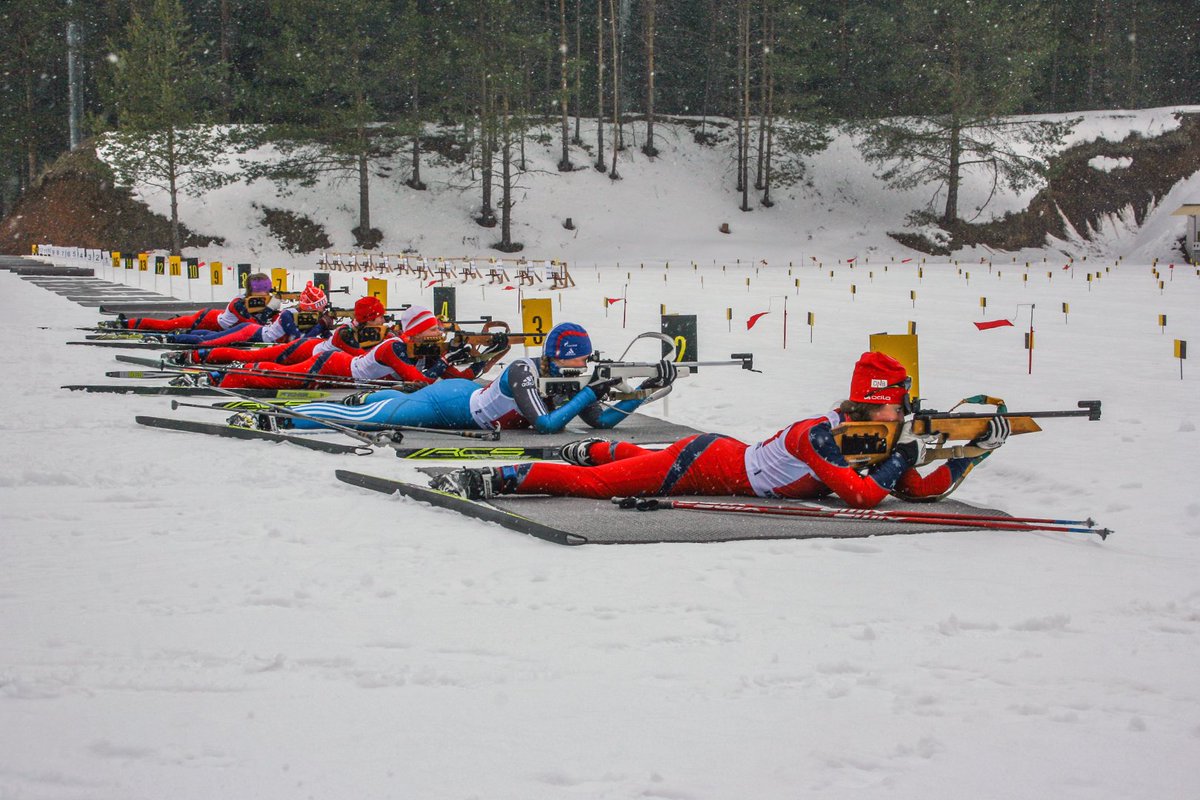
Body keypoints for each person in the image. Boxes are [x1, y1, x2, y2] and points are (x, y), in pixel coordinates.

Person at [429, 351, 1010, 508]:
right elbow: (863, 497)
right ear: (870, 407)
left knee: (630, 465)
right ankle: (499, 477)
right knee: (602, 488)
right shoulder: (819, 435)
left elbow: (916, 491)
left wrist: (973, 452)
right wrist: (906, 455)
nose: (902, 417)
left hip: (723, 458)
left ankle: (600, 448)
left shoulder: (870, 442)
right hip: (705, 465)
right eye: (897, 409)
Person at [232, 322, 676, 434]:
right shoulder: (524, 371)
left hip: (467, 399)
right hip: (451, 405)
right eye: (578, 364)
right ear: (558, 358)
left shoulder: (571, 382)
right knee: (372, 420)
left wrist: (642, 393)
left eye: (585, 364)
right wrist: (591, 391)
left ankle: (357, 401)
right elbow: (546, 425)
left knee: (376, 410)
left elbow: (600, 421)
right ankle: (282, 416)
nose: (582, 370)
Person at [215, 304, 500, 393]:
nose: (439, 334)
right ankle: (230, 374)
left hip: (343, 373)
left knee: (280, 372)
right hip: (332, 365)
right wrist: (446, 359)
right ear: (417, 331)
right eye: (433, 329)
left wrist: (482, 361)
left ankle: (240, 368)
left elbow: (455, 378)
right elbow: (418, 383)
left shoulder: (423, 349)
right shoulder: (394, 347)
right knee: (279, 377)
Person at [165, 281, 331, 347]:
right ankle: (170, 338)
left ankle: (185, 333)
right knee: (209, 342)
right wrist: (320, 326)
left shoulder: (305, 317)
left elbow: (326, 340)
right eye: (320, 308)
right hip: (250, 332)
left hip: (253, 331)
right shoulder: (289, 314)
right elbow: (297, 341)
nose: (322, 312)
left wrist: (326, 330)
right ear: (310, 308)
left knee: (212, 336)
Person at [102, 272, 280, 332]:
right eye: (263, 289)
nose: (266, 293)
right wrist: (269, 310)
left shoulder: (256, 301)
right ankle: (125, 323)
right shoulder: (239, 303)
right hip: (206, 320)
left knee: (172, 323)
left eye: (268, 289)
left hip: (217, 320)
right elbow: (253, 324)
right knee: (165, 326)